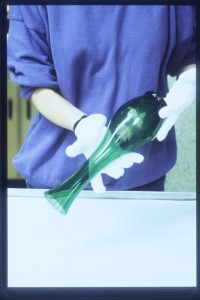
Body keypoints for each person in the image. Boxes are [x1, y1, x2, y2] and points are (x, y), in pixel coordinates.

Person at [7, 5, 196, 192]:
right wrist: (80, 123)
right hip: (57, 176)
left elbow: (190, 53)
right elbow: (35, 79)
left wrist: (190, 81)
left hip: (142, 175)